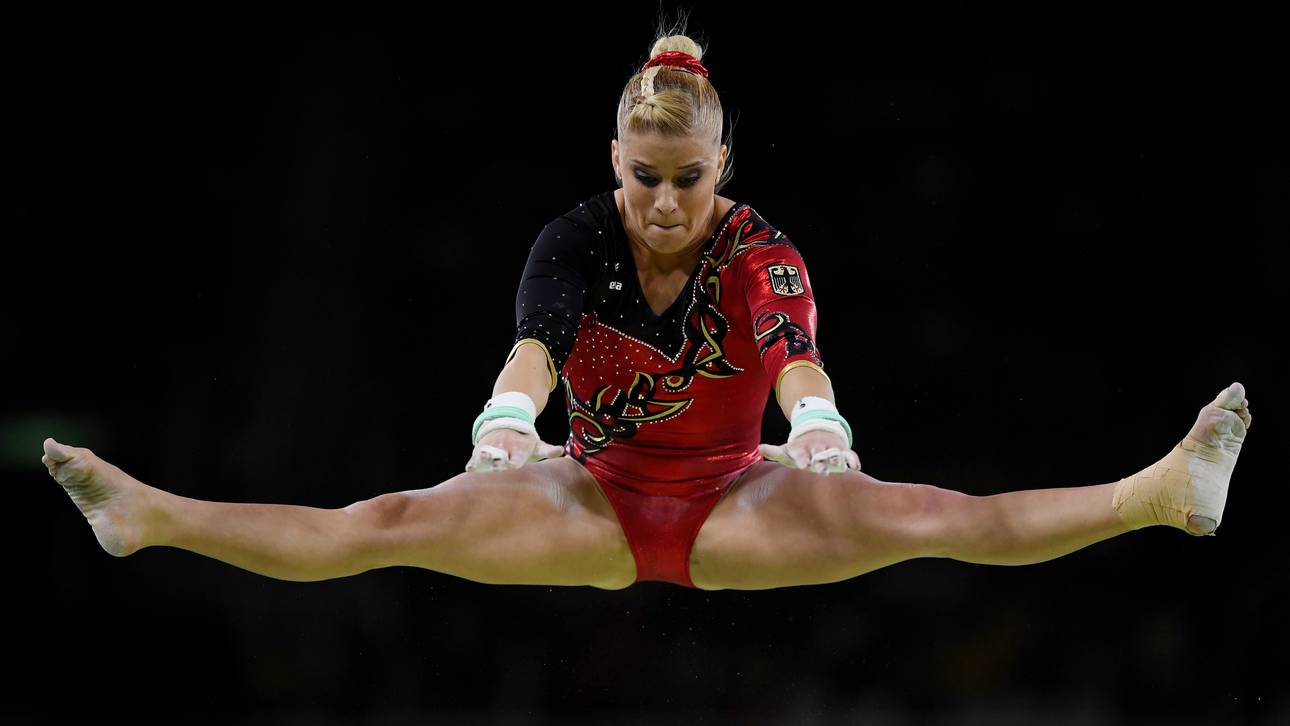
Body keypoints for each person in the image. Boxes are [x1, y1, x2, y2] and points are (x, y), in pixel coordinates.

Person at [42, 28, 1253, 592]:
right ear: (614, 163)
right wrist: (504, 423)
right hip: (588, 495)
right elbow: (538, 345)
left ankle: (1159, 493)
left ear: (723, 164)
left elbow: (794, 359)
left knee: (940, 516)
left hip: (736, 500)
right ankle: (151, 518)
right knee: (383, 521)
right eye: (643, 178)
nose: (665, 204)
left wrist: (819, 429)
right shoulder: (574, 239)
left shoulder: (760, 251)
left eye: (688, 179)